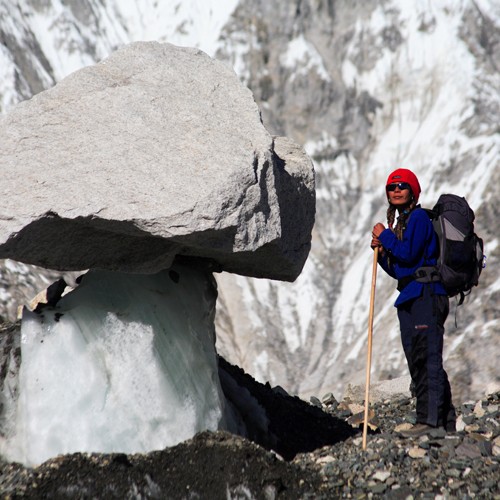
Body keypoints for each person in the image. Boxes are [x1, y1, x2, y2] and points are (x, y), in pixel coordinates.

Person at [371, 168, 456, 437]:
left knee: (427, 357)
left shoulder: (418, 217)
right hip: (411, 294)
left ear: (412, 192)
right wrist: (383, 254)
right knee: (419, 359)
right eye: (391, 187)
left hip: (426, 295)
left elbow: (407, 254)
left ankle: (430, 423)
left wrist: (384, 235)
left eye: (402, 186)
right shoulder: (404, 224)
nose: (396, 190)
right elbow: (401, 269)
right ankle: (444, 422)